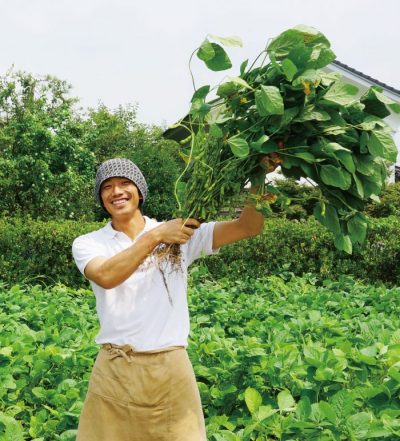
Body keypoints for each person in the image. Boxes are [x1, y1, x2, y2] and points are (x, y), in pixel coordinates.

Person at [72, 157, 265, 441]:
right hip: (115, 368)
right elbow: (106, 276)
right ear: (101, 198)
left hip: (169, 368)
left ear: (140, 191)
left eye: (125, 183)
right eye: (107, 187)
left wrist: (258, 176)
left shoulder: (180, 234)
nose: (117, 192)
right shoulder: (89, 243)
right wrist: (155, 237)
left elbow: (247, 227)